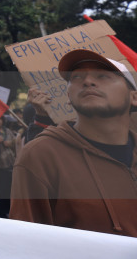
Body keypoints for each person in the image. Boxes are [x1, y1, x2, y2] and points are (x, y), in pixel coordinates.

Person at [10, 49, 137, 237]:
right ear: (69, 98)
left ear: (134, 97)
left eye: (103, 76)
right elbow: (24, 242)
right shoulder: (40, 156)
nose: (87, 81)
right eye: (76, 78)